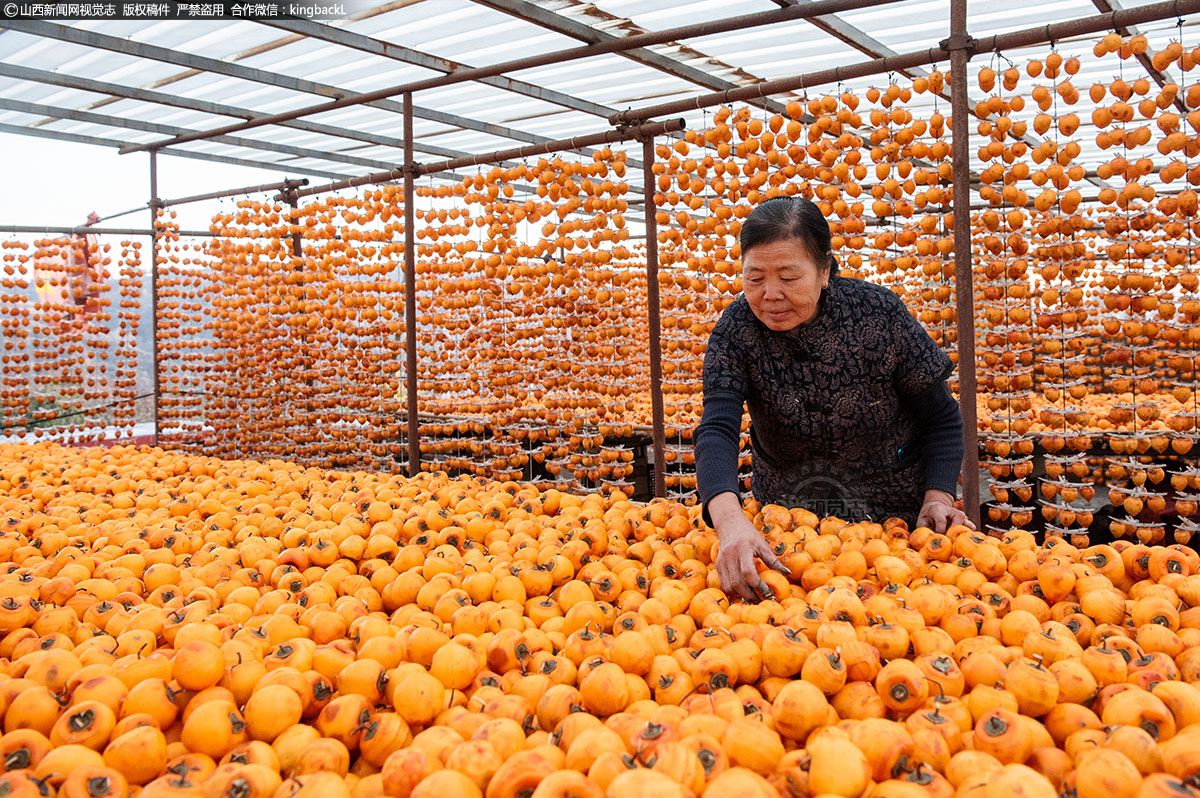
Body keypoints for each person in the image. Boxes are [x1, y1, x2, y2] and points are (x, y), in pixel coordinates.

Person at [694, 195, 973, 601]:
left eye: (788, 278)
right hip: (788, 531)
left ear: (825, 270)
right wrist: (730, 521)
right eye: (754, 279)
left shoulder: (878, 315)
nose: (770, 294)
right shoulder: (736, 330)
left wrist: (938, 494)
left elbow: (942, 419)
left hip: (892, 528)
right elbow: (717, 427)